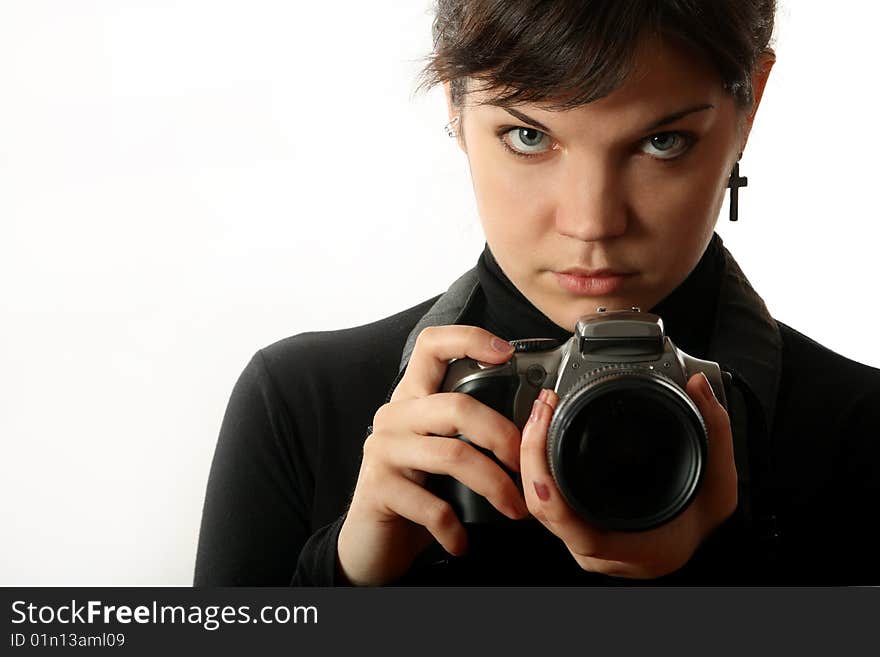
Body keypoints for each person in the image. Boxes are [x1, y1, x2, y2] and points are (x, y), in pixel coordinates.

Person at [193, 0, 880, 586]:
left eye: (663, 141)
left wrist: (725, 562)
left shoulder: (864, 432)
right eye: (529, 136)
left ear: (749, 107)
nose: (592, 222)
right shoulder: (300, 405)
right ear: (455, 106)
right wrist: (343, 575)